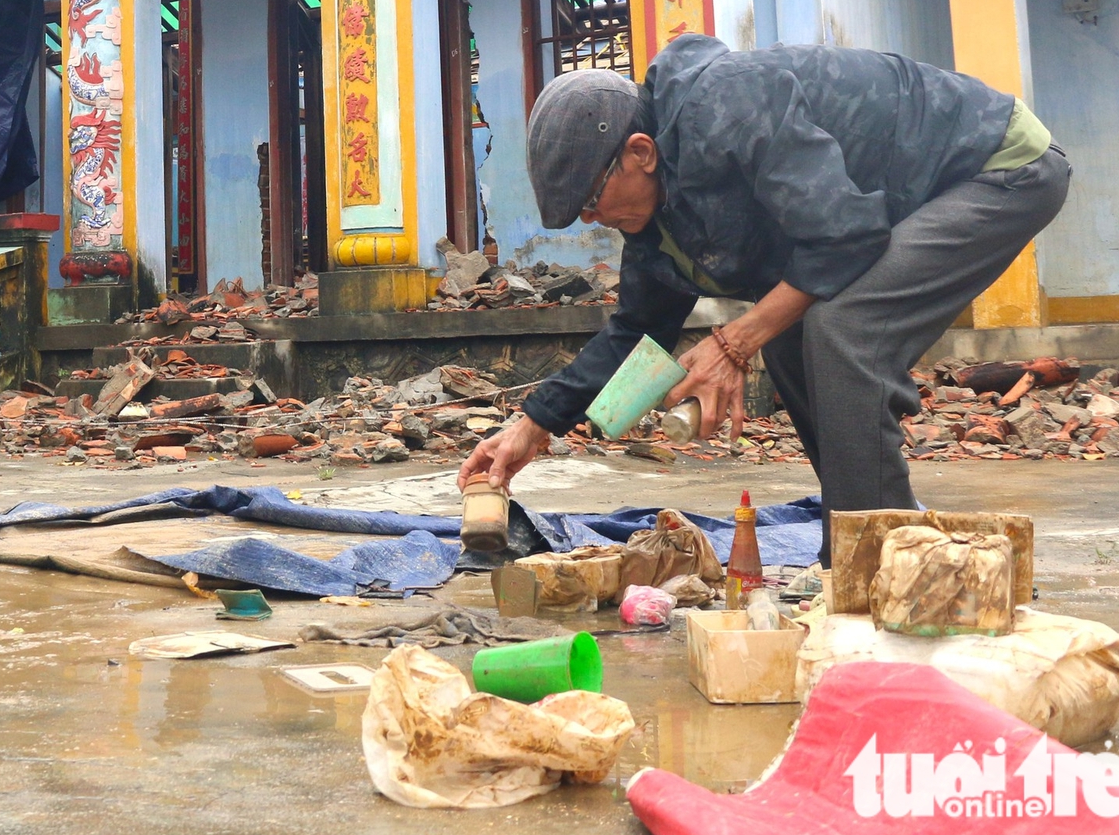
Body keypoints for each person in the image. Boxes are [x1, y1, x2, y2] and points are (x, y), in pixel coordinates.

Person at [457, 36, 1069, 560]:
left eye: (592, 201)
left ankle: (870, 560)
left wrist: (733, 342)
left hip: (997, 168)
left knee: (842, 327)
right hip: (903, 204)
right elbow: (637, 333)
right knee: (795, 336)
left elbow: (846, 237)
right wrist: (531, 427)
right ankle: (874, 537)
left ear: (639, 153)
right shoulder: (656, 222)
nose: (596, 220)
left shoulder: (727, 102)